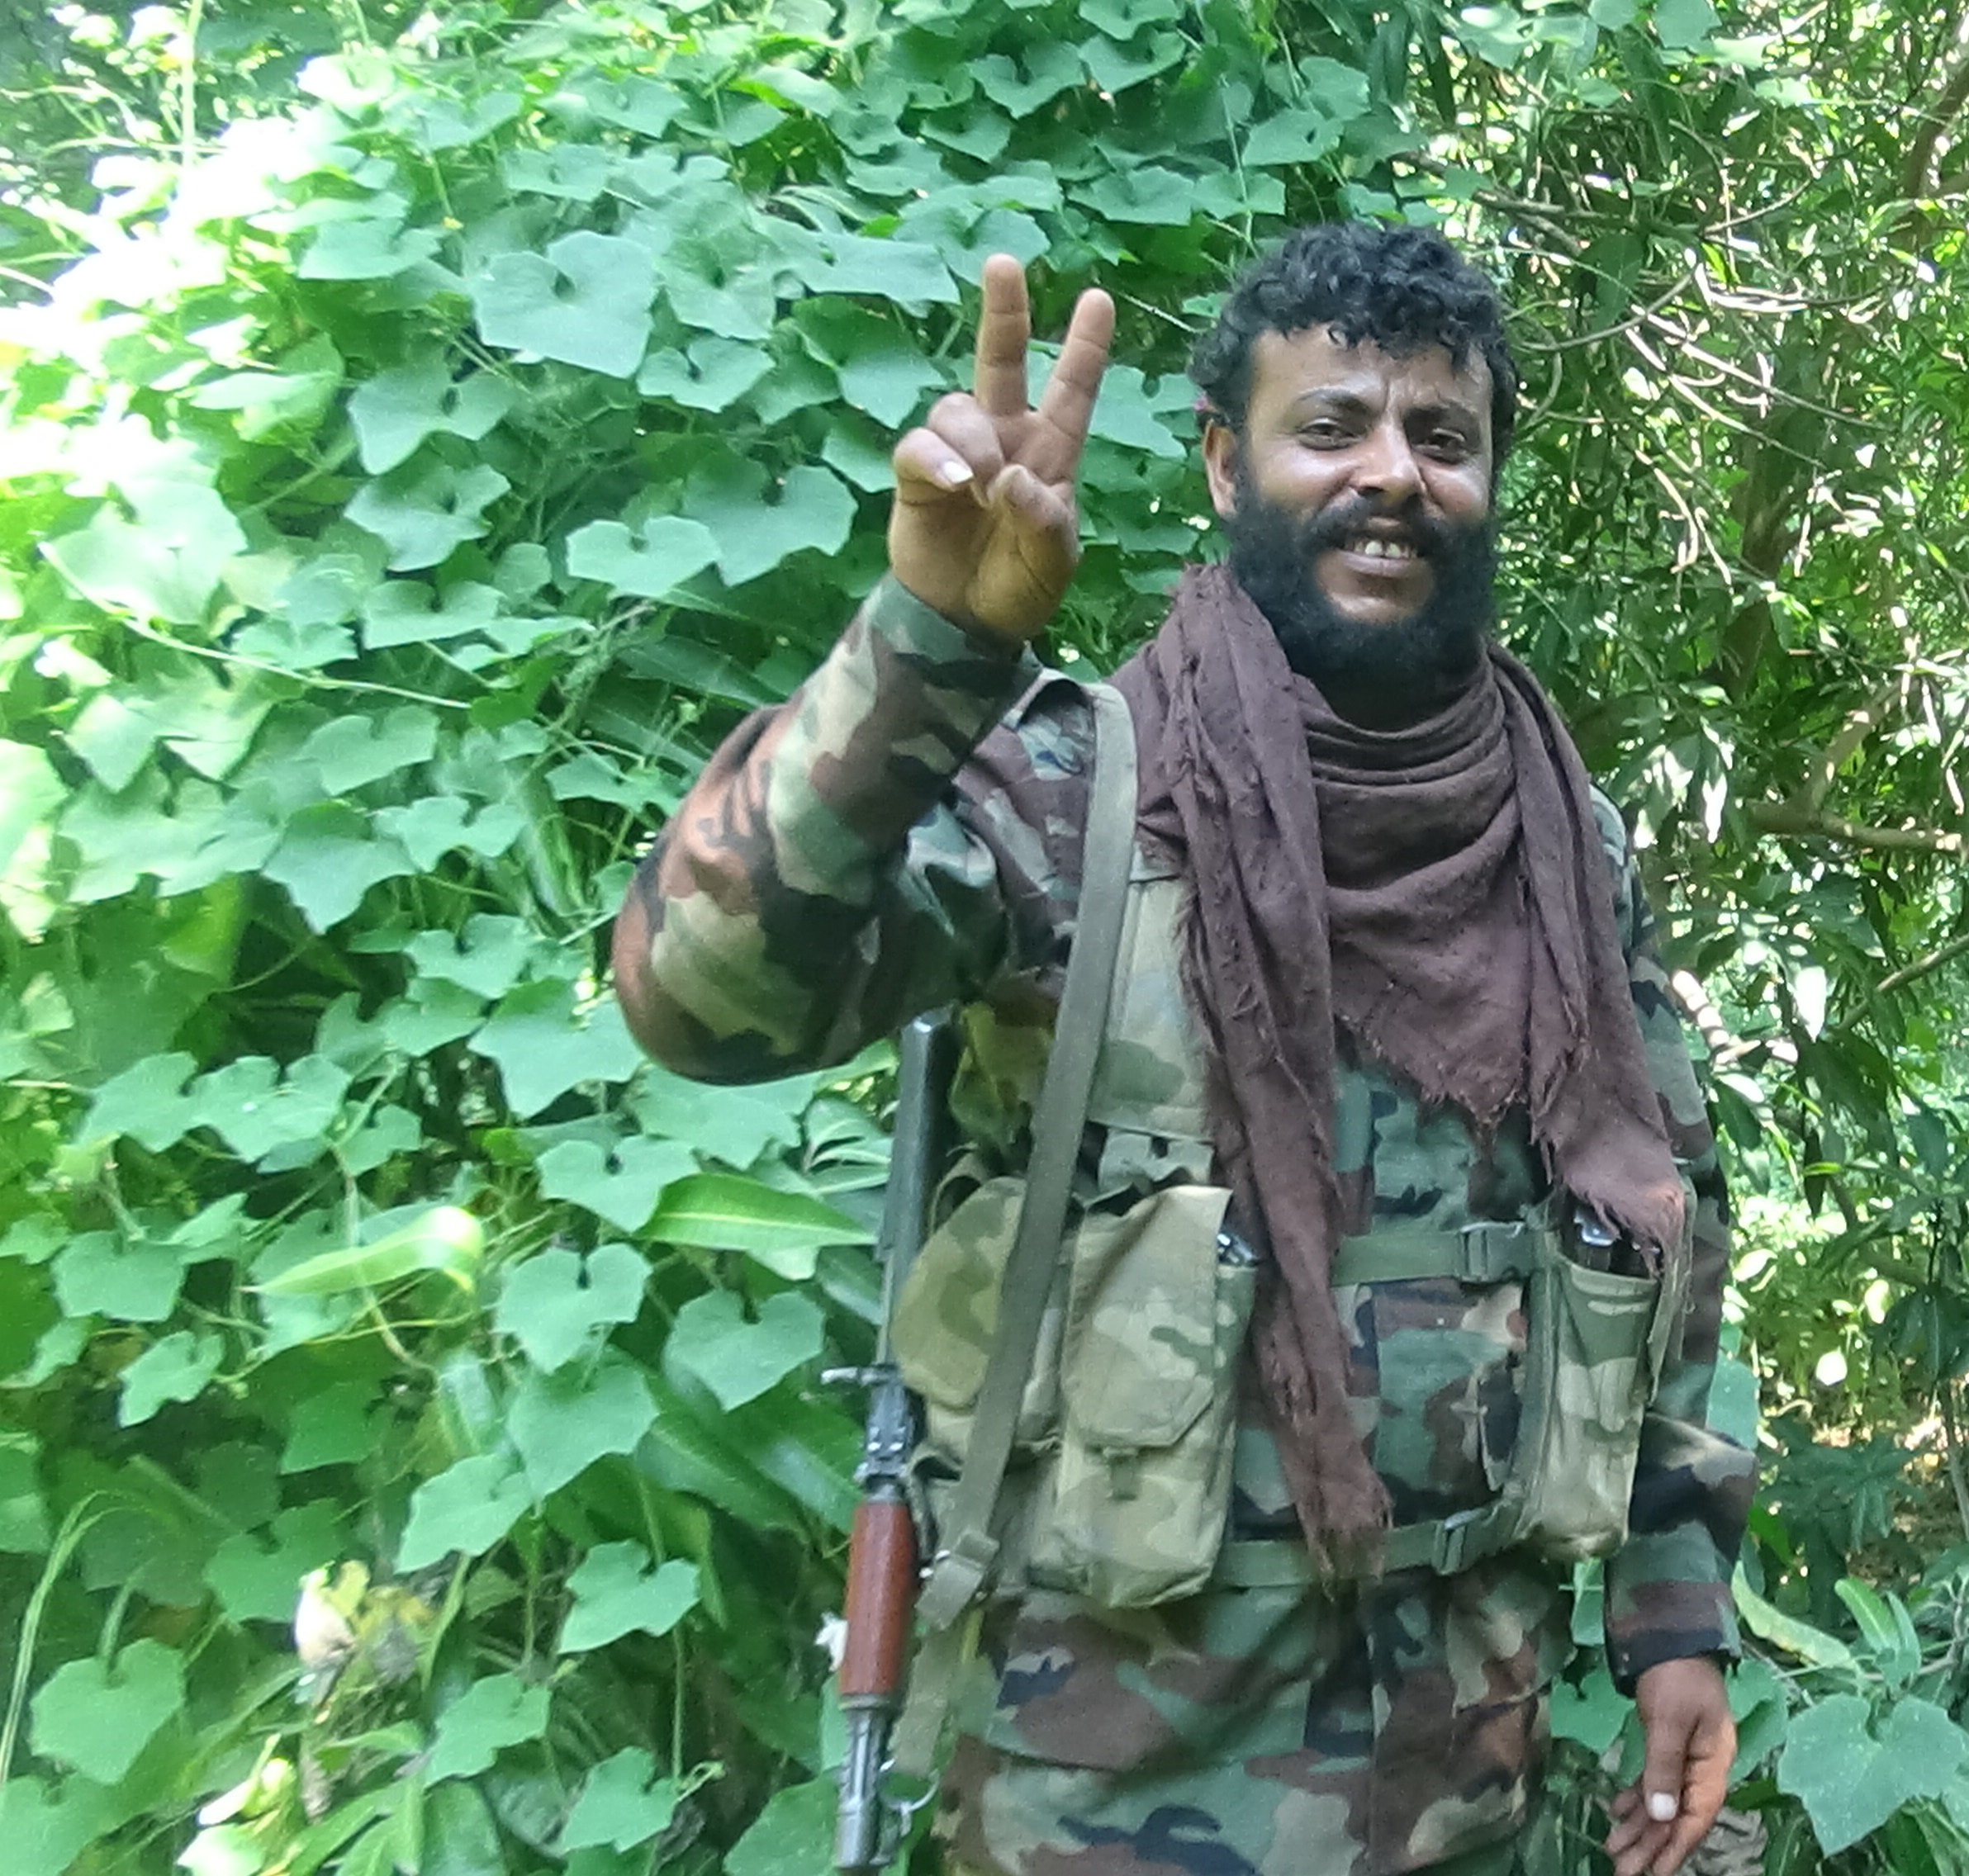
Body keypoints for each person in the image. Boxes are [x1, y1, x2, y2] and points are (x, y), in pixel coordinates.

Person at [610, 224, 1752, 1876]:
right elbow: (700, 993)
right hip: (1099, 1799)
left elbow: (1666, 1216)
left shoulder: (1559, 836)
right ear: (1225, 465)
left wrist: (1674, 1612)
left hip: (1461, 1785)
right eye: (1330, 426)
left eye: (1442, 437)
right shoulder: (1081, 790)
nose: (1394, 475)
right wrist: (928, 641)